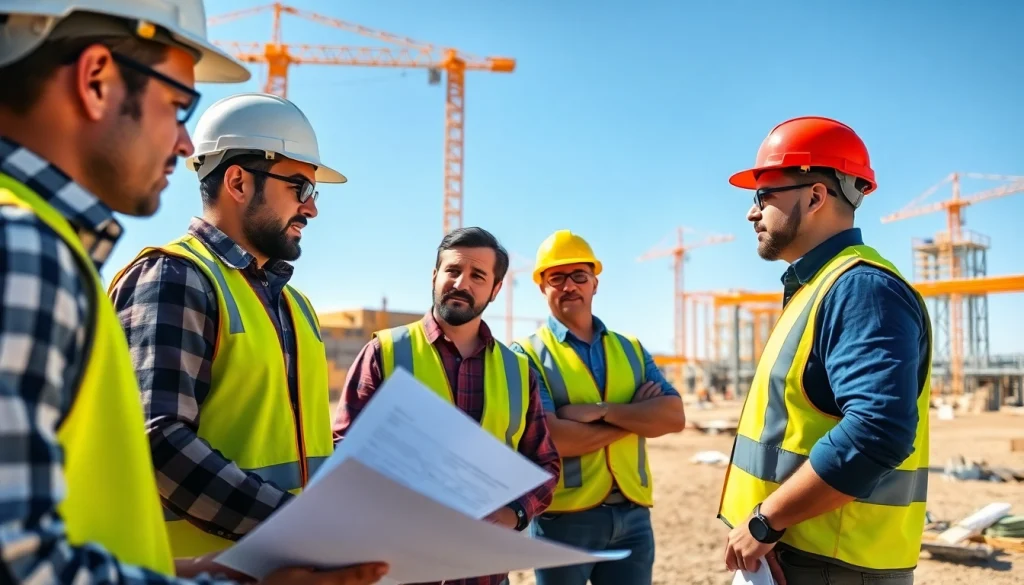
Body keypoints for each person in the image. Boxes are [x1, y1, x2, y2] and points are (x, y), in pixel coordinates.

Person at [0, 3, 386, 584]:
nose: (184, 143)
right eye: (179, 106)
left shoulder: (293, 306)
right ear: (96, 78)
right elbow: (25, 563)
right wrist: (293, 529)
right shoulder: (52, 252)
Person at [107, 91, 346, 559]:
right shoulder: (175, 278)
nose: (312, 208)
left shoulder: (297, 307)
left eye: (313, 192)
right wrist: (295, 526)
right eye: (299, 187)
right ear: (237, 182)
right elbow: (158, 442)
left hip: (288, 565)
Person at [717, 116, 932, 585]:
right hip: (799, 553)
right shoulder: (819, 287)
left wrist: (766, 519)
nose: (753, 213)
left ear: (815, 196)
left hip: (831, 562)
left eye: (764, 195)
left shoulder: (860, 289)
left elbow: (879, 431)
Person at [333, 226, 562, 585]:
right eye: (452, 270)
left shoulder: (517, 370)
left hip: (483, 571)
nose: (461, 283)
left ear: (496, 289)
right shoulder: (385, 352)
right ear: (434, 276)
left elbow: (544, 462)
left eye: (477, 275)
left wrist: (512, 514)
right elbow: (343, 450)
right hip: (400, 567)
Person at [510, 229, 687, 585]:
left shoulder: (631, 348)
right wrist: (636, 417)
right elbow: (557, 439)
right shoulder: (525, 355)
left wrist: (603, 410)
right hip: (564, 520)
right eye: (556, 277)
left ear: (595, 283)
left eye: (579, 276)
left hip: (634, 516)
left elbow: (674, 416)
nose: (569, 286)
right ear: (541, 287)